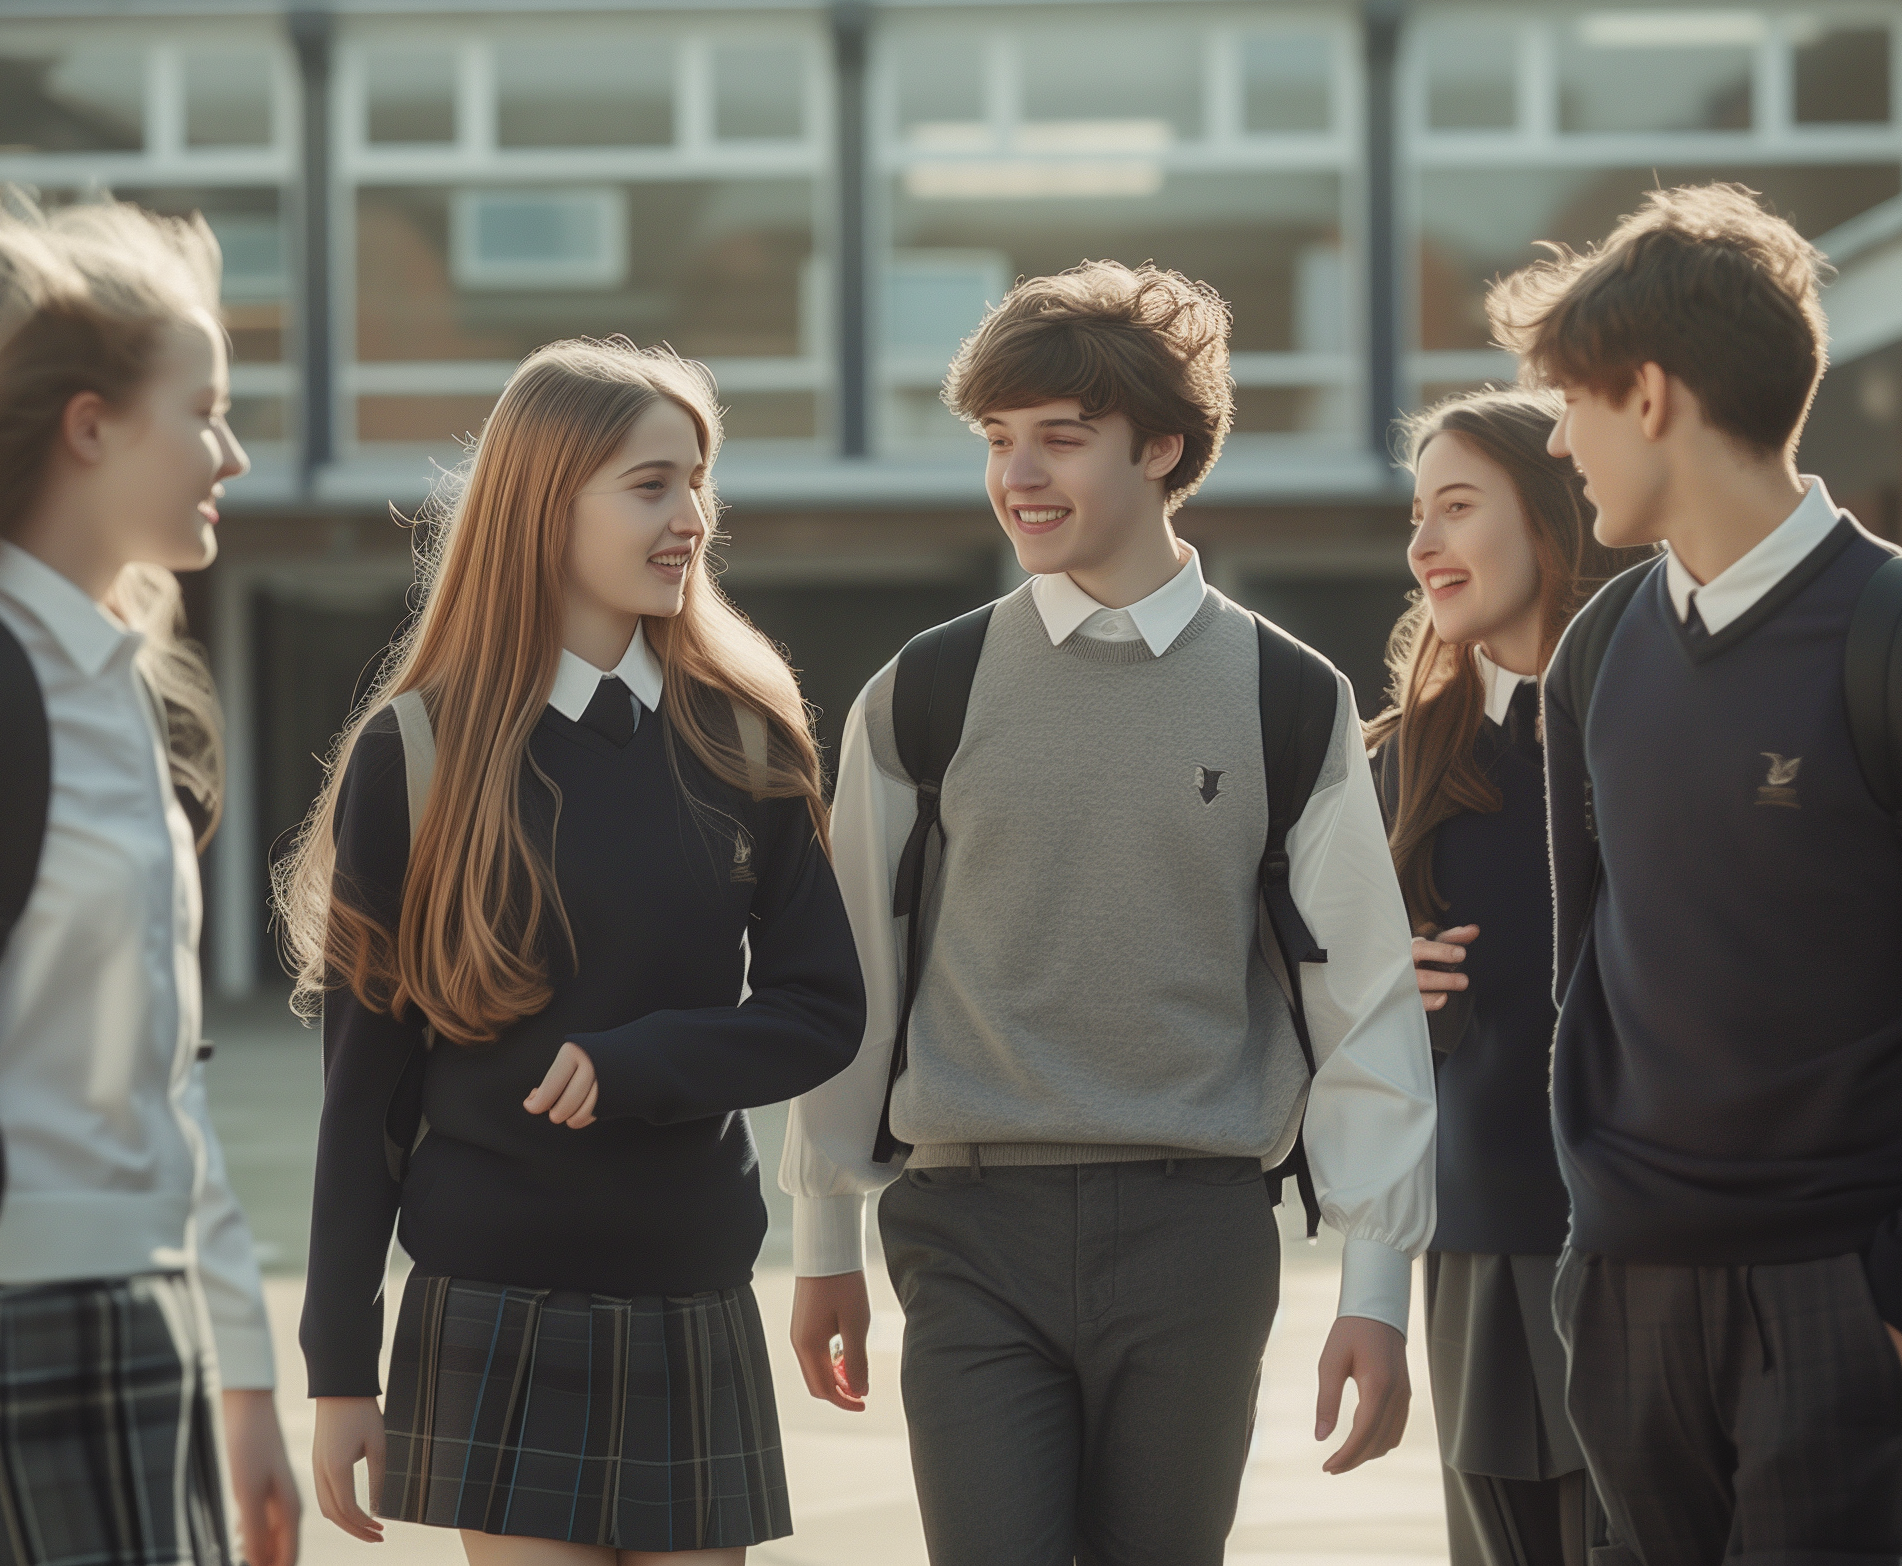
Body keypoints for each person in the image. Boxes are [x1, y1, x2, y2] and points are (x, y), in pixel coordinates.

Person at [781, 260, 1436, 1565]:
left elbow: (1362, 1002)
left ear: (1164, 448)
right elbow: (856, 979)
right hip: (968, 1230)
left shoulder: (1286, 701)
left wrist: (1376, 1287)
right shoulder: (922, 693)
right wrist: (822, 1238)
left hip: (1198, 1235)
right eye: (999, 441)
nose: (1019, 475)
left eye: (1060, 441)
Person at [282, 338, 865, 1567]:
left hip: (691, 1292)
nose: (692, 518)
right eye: (651, 485)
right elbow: (363, 1096)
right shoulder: (419, 754)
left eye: (698, 482)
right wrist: (341, 1367)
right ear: (547, 504)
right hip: (490, 1306)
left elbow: (823, 1011)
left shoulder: (750, 740)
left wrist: (643, 1061)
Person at [1490, 183, 1902, 1563]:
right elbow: (1584, 966)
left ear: (1652, 394)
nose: (1559, 439)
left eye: (1574, 403)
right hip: (1623, 1288)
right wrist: (1592, 1235)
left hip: (1849, 1292)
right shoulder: (1597, 651)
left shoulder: (1889, 633)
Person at [0, 196, 299, 1564]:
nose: (231, 452)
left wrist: (242, 1372)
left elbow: (166, 1080)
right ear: (90, 424)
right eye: (207, 410)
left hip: (131, 1308)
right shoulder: (0, 680)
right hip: (24, 1318)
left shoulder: (122, 693)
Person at [1367, 389, 1646, 1565]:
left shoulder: (1654, 725)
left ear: (1552, 516)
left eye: (1459, 507)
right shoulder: (1398, 762)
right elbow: (1339, 1042)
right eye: (1418, 513)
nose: (1425, 544)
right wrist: (1377, 990)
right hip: (1477, 1253)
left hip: (1651, 1243)